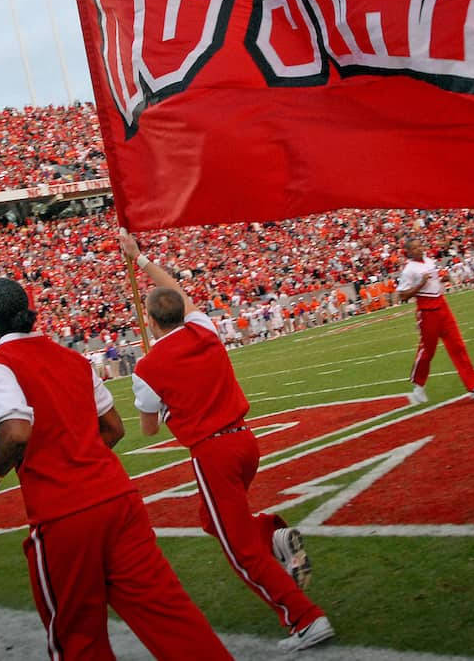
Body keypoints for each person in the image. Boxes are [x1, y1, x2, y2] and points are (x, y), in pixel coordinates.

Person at [0, 277, 231, 661]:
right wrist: (78, 454)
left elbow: (16, 432)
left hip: (64, 516)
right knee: (172, 619)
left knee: (78, 640)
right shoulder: (73, 358)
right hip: (118, 499)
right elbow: (114, 428)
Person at [119, 233, 335, 652]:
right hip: (244, 441)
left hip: (212, 451)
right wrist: (141, 258)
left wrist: (164, 404)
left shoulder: (147, 366)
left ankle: (305, 619)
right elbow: (177, 292)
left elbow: (149, 429)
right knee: (210, 519)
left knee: (240, 552)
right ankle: (270, 533)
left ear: (150, 322)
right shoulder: (203, 328)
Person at [395, 238, 474, 404]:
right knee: (427, 351)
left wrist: (442, 279)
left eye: (420, 245)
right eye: (415, 248)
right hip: (426, 311)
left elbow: (434, 282)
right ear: (408, 252)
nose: (419, 249)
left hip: (442, 305)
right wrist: (420, 284)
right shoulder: (409, 270)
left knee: (458, 346)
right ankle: (418, 385)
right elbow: (402, 296)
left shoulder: (429, 261)